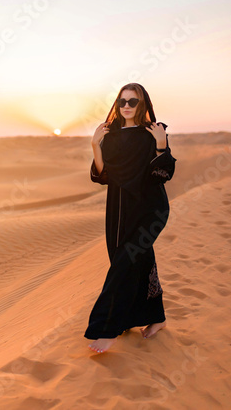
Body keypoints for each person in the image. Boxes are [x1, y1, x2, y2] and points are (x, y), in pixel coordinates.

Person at [84, 82, 177, 354]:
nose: (126, 106)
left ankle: (107, 329)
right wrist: (95, 145)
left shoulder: (154, 132)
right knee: (135, 261)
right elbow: (104, 176)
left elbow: (162, 174)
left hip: (150, 211)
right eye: (122, 101)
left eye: (133, 101)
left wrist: (161, 147)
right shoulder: (110, 135)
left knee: (123, 266)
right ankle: (156, 317)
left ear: (143, 104)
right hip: (119, 210)